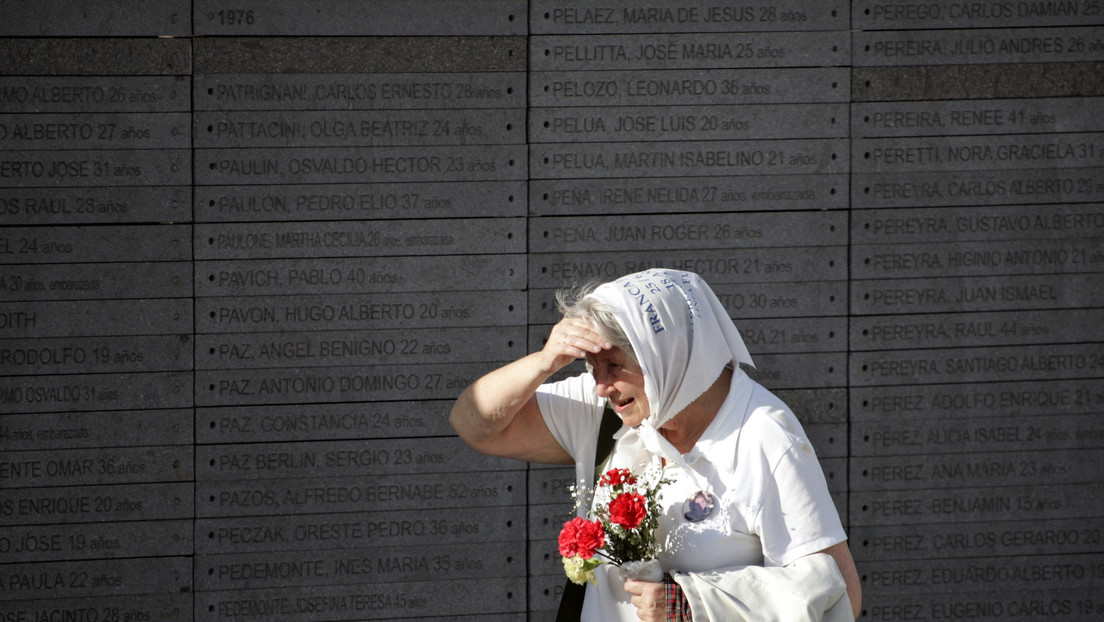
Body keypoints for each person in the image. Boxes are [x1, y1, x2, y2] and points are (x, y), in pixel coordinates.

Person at [450, 270, 861, 621]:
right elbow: (474, 424)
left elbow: (838, 596)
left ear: (667, 355)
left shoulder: (764, 436)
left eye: (614, 365)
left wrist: (690, 603)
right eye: (593, 367)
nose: (601, 386)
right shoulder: (610, 407)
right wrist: (545, 361)